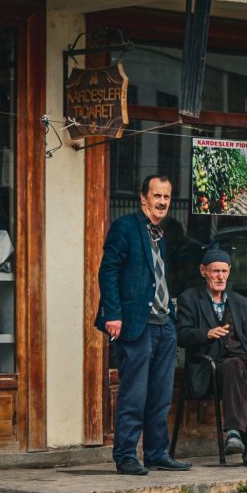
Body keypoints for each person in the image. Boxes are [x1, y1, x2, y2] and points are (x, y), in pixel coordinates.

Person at [95, 174, 192, 476]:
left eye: (166, 196)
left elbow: (156, 278)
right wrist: (113, 314)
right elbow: (108, 271)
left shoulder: (158, 233)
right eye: (157, 196)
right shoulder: (125, 227)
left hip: (163, 324)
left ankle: (156, 453)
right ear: (143, 198)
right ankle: (125, 455)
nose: (162, 202)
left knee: (161, 394)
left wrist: (172, 319)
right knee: (134, 394)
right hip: (136, 324)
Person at [176, 249, 247, 466]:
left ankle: (234, 433)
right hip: (208, 366)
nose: (220, 277)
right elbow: (180, 334)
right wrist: (206, 333)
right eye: (215, 272)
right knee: (245, 380)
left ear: (229, 272)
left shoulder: (240, 301)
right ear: (203, 271)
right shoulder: (189, 299)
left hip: (239, 359)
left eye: (224, 271)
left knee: (236, 365)